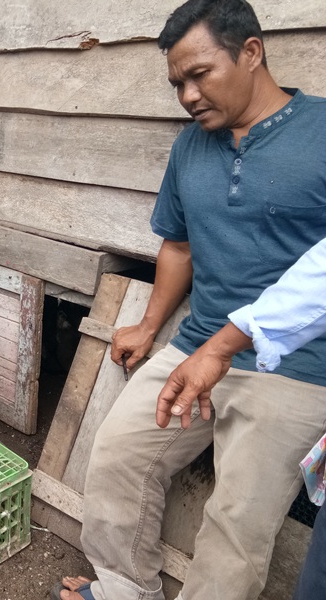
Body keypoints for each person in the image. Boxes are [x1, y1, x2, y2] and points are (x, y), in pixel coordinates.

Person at [53, 1, 326, 599]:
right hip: (197, 346)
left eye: (200, 74)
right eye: (178, 82)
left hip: (298, 368)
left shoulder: (323, 132)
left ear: (251, 53)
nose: (187, 94)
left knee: (237, 521)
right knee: (119, 452)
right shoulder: (189, 148)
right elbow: (176, 247)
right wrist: (150, 325)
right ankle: (128, 588)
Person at [154, 236, 326, 600]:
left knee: (240, 519)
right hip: (225, 341)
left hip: (298, 365)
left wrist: (221, 347)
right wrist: (219, 347)